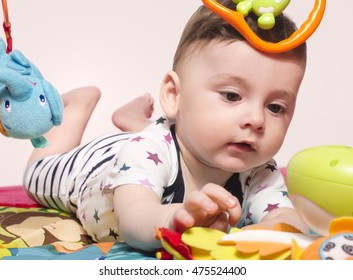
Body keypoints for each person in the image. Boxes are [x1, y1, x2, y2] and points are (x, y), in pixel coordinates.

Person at [23, 0, 309, 252]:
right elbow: (135, 219)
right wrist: (175, 219)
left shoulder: (260, 171)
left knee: (169, 137)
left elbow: (287, 219)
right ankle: (82, 102)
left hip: (164, 140)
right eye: (232, 96)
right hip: (98, 165)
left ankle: (135, 121)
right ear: (174, 95)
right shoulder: (142, 151)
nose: (256, 120)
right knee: (37, 173)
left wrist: (277, 230)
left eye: (275, 107)